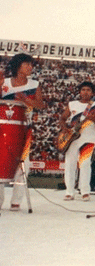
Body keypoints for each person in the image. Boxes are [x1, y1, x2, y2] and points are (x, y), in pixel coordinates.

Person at [0, 53, 45, 211]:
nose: (30, 67)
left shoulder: (34, 84)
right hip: (4, 128)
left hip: (24, 128)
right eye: (27, 65)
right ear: (18, 66)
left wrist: (26, 100)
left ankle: (16, 200)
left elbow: (41, 105)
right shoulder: (4, 83)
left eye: (31, 65)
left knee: (23, 164)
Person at [59, 81, 95, 201]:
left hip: (89, 137)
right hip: (73, 138)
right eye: (83, 89)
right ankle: (69, 191)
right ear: (79, 92)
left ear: (92, 93)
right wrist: (65, 129)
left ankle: (85, 191)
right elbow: (63, 118)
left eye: (88, 90)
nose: (85, 92)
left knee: (85, 164)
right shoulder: (72, 104)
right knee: (70, 164)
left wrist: (94, 119)